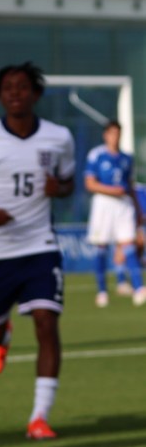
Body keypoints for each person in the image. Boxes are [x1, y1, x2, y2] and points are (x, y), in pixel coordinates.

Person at [0, 62, 75, 440]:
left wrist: (61, 189)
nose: (15, 93)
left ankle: (39, 417)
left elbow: (68, 182)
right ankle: (1, 336)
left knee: (46, 323)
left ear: (36, 94)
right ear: (0, 95)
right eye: (7, 87)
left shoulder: (59, 137)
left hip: (41, 247)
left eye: (22, 87)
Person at [84, 119, 145, 307]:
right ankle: (102, 291)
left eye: (118, 133)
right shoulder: (96, 155)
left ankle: (139, 288)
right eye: (111, 133)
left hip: (124, 205)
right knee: (101, 247)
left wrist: (138, 210)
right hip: (104, 204)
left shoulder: (127, 158)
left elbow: (131, 186)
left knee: (129, 245)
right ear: (106, 135)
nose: (115, 137)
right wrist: (112, 191)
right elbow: (90, 183)